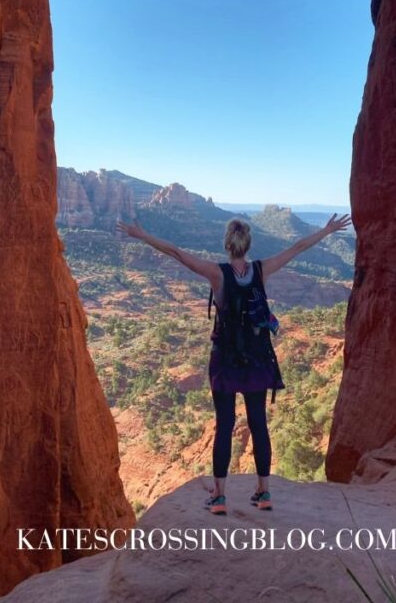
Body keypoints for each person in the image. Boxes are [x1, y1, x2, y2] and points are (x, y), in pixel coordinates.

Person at [115, 210, 352, 514]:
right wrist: (328, 230)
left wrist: (142, 235)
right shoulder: (262, 269)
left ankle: (219, 497)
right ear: (248, 243)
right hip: (256, 361)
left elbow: (176, 252)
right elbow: (297, 248)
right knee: (259, 425)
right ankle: (264, 493)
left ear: (227, 244)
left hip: (226, 361)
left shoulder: (218, 274)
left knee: (224, 425)